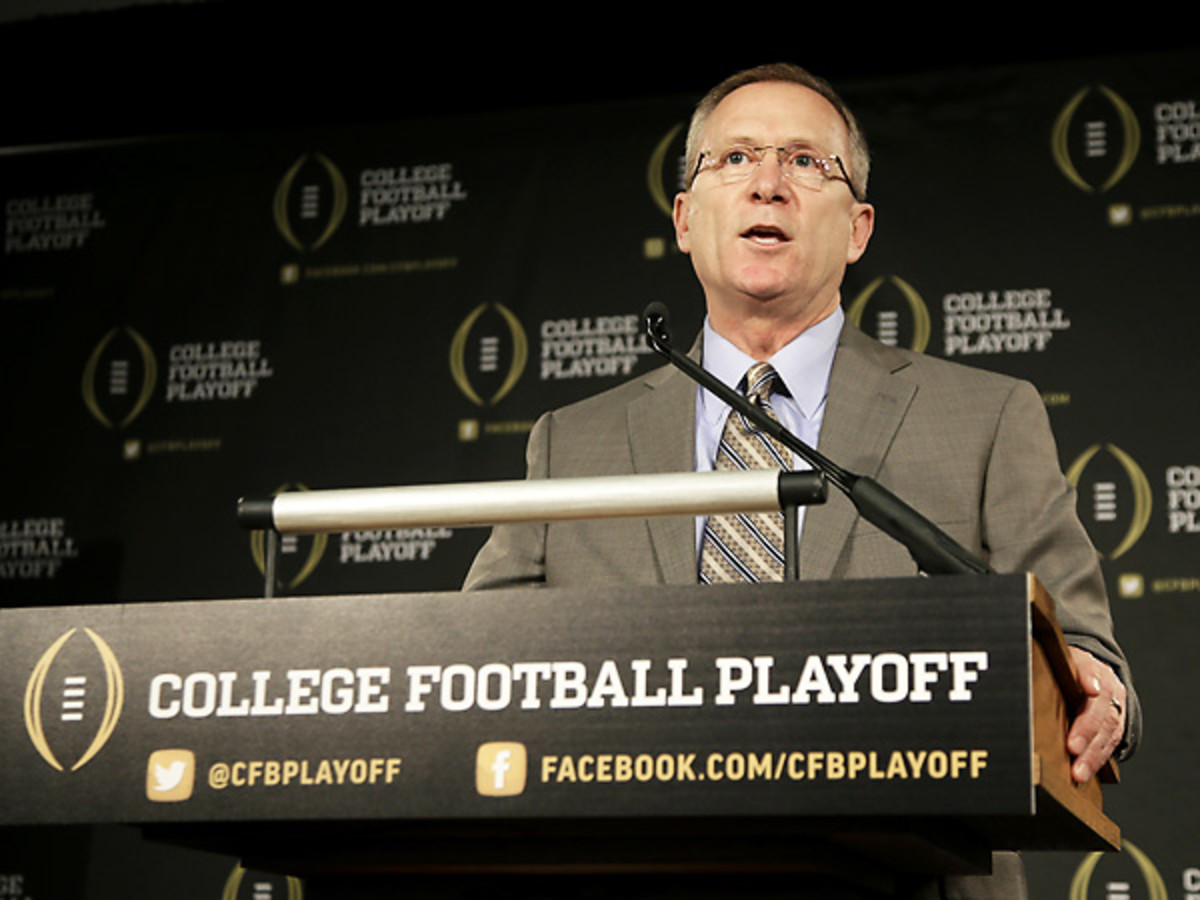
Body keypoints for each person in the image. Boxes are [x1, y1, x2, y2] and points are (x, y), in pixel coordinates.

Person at [465, 63, 1140, 898]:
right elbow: (474, 668)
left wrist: (1096, 687)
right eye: (736, 158)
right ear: (684, 218)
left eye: (805, 163)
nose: (769, 186)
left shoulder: (989, 416)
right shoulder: (572, 443)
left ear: (858, 229)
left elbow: (1080, 648)